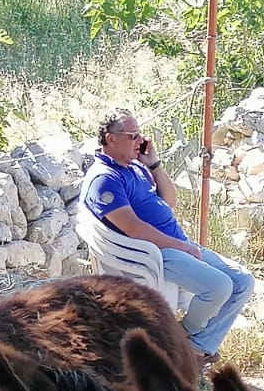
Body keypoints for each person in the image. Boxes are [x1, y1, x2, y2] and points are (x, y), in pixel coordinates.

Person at [82, 109, 255, 366]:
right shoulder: (105, 180)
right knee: (219, 287)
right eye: (132, 136)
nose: (140, 141)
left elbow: (170, 201)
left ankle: (194, 347)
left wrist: (154, 164)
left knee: (243, 281)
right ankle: (181, 339)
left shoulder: (136, 167)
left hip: (174, 243)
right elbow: (135, 230)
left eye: (140, 134)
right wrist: (181, 246)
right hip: (155, 252)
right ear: (110, 139)